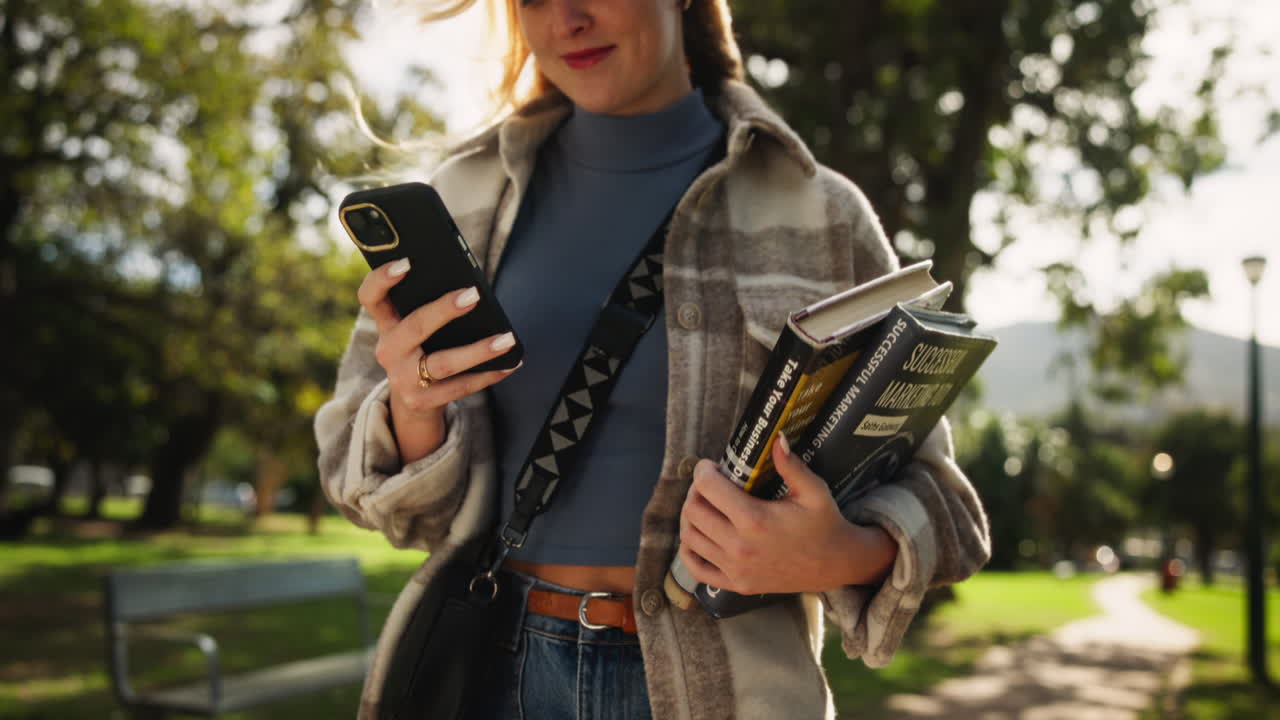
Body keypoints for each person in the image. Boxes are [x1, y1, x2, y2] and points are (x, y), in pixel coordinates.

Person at [314, 0, 991, 717]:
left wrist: (841, 552)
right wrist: (415, 407)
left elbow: (939, 501)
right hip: (490, 670)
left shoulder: (818, 214)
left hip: (724, 692)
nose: (565, 18)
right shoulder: (463, 198)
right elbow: (368, 486)